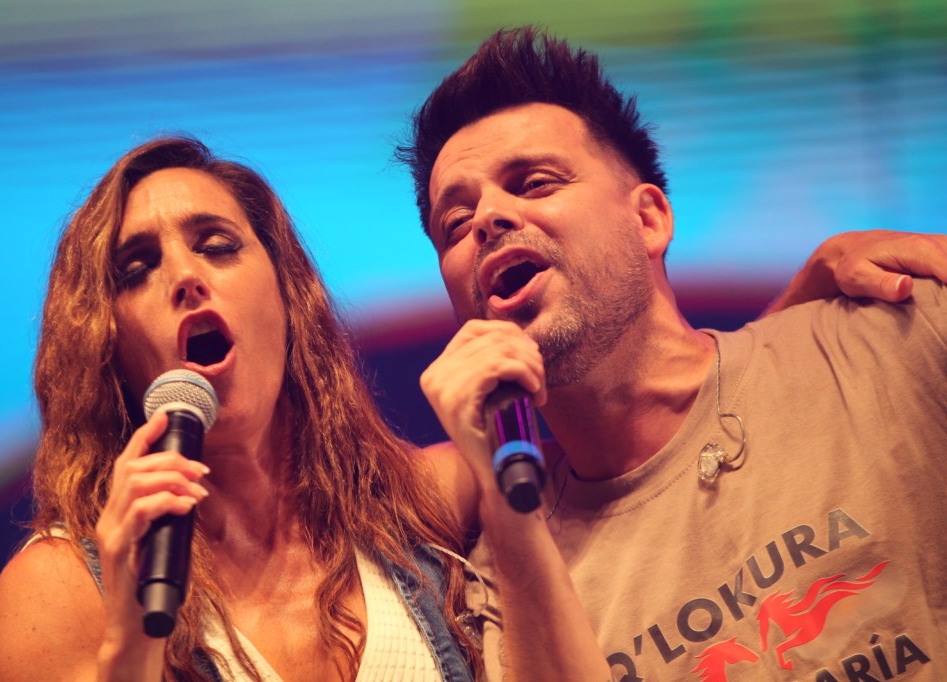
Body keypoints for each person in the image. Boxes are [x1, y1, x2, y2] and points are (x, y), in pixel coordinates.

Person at [398, 28, 947, 680]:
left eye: (535, 183)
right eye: (456, 225)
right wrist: (504, 498)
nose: (489, 217)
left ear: (649, 219)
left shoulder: (894, 337)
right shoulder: (506, 584)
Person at [0, 136, 482, 681]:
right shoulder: (55, 592)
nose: (184, 277)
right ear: (107, 347)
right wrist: (132, 643)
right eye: (136, 269)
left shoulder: (433, 498)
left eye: (218, 246)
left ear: (289, 296)